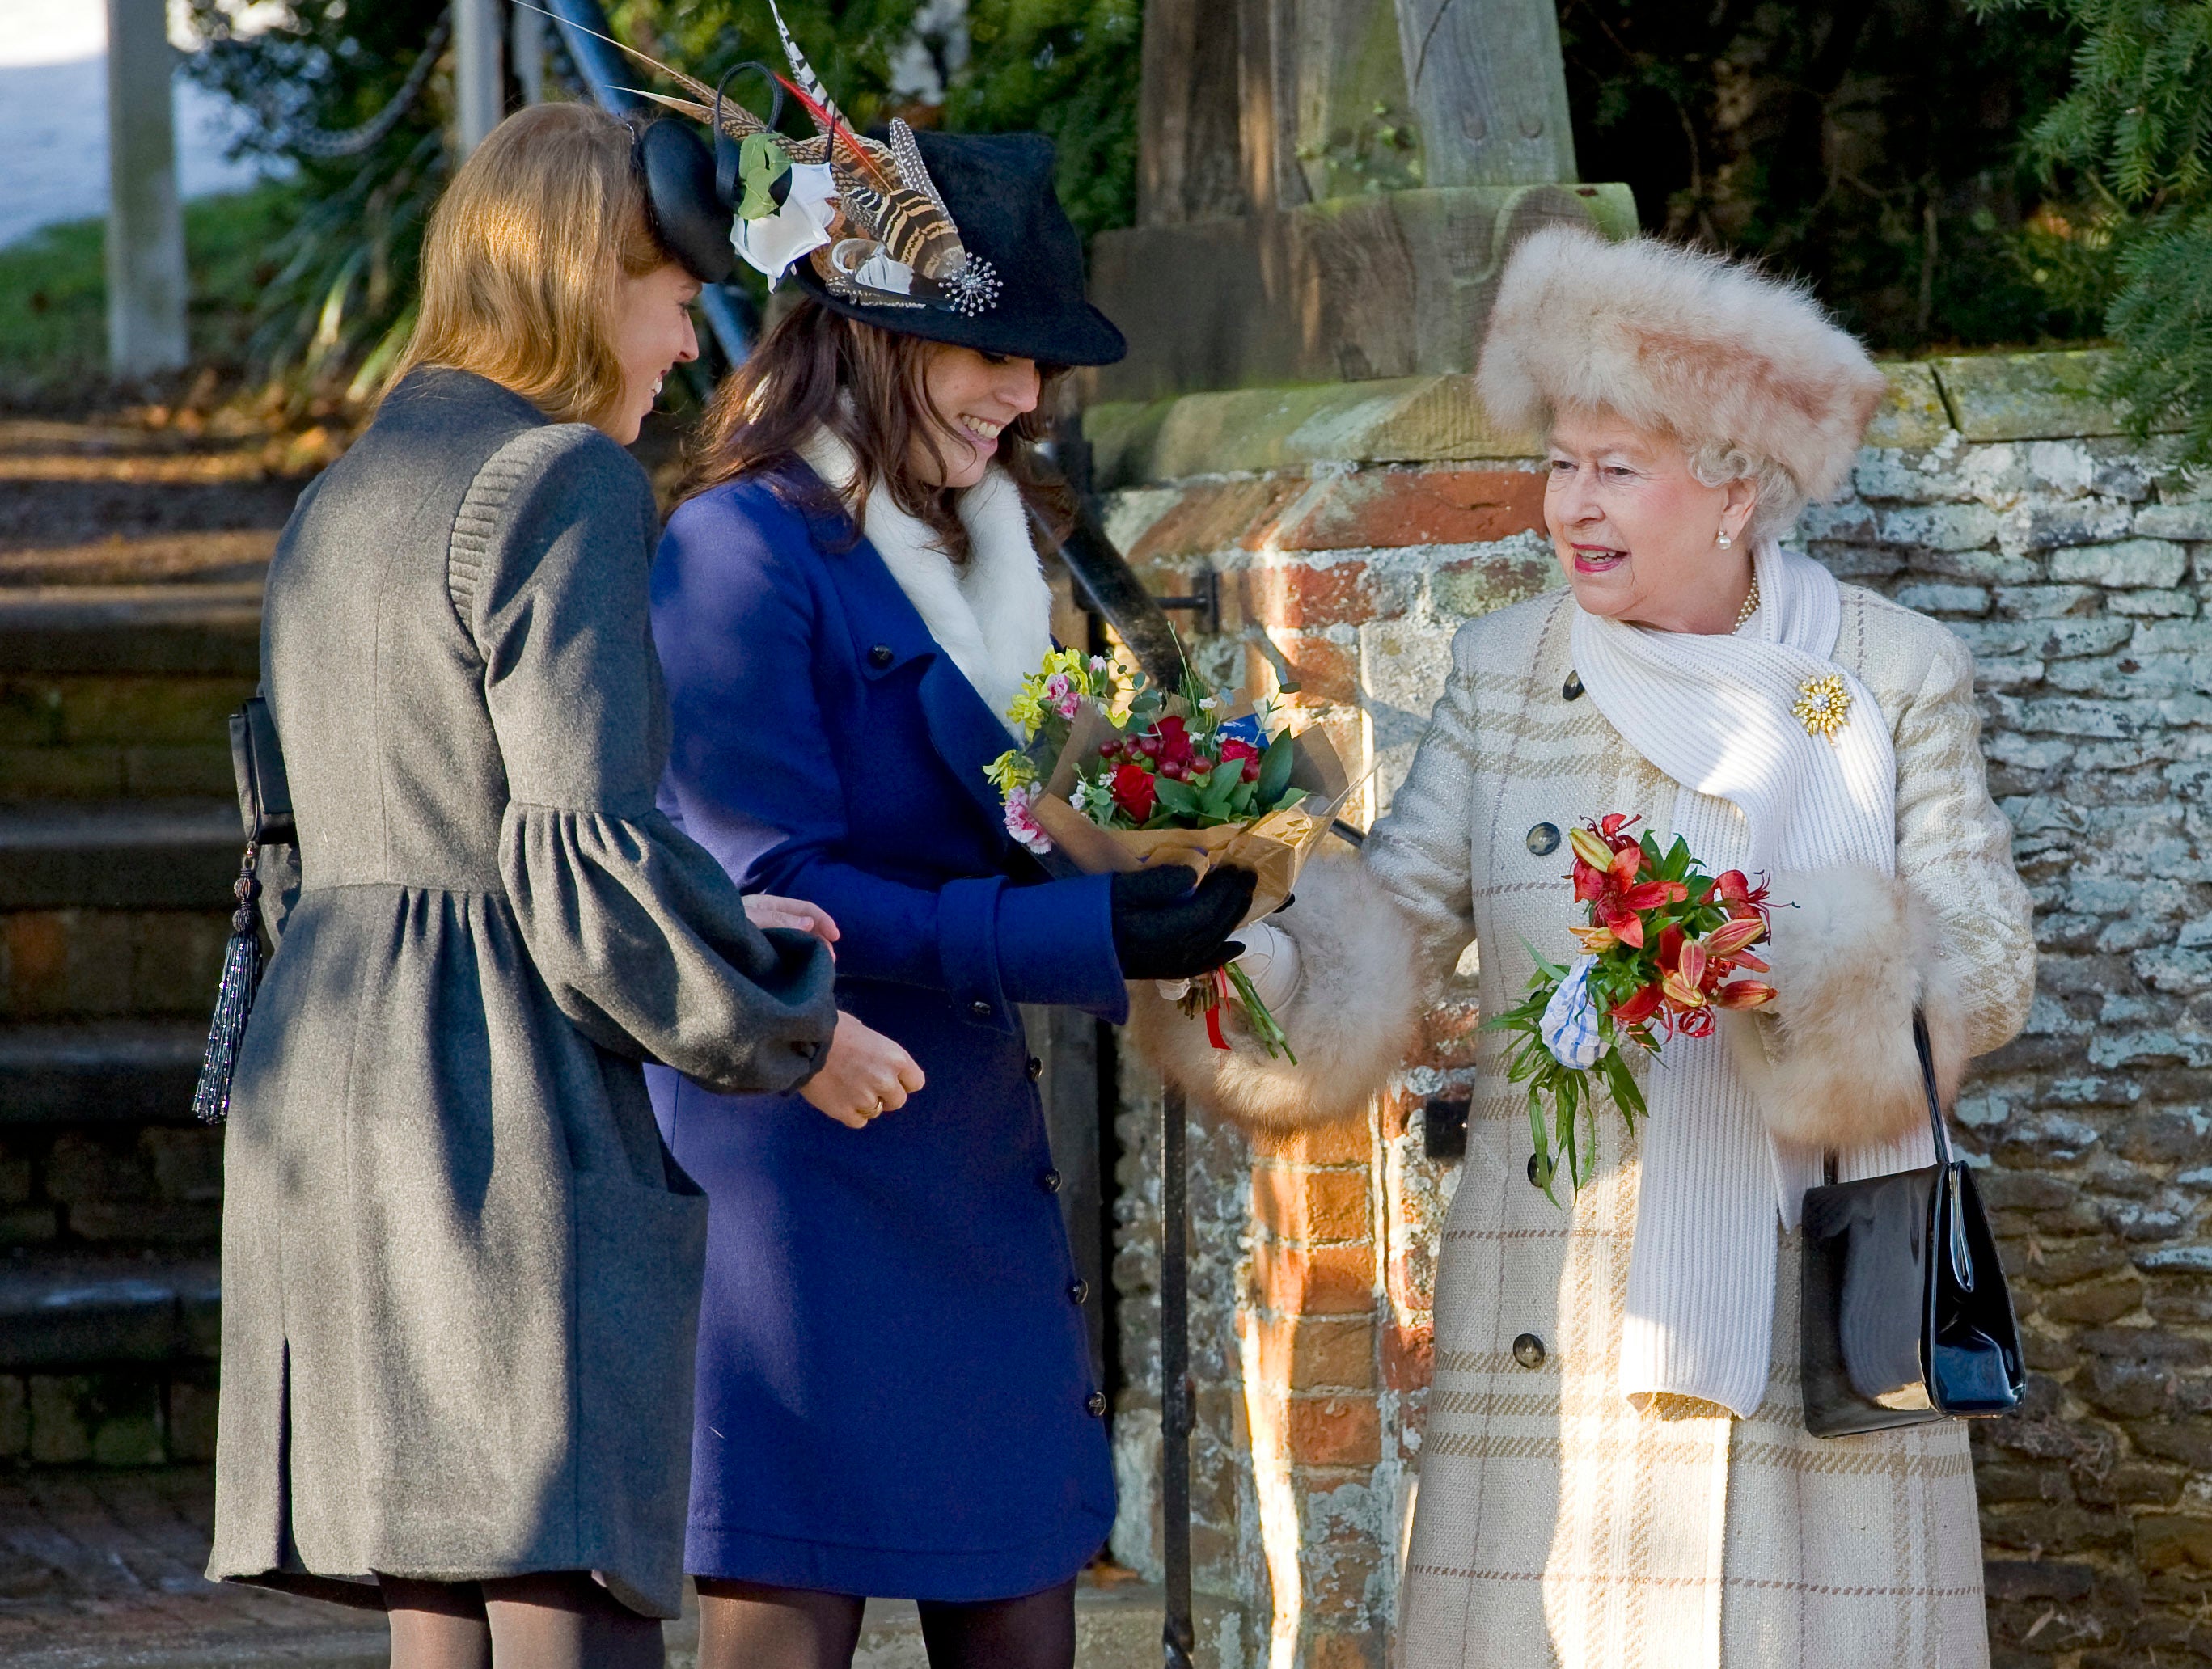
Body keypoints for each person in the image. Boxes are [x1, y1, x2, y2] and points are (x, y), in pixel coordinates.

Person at [1138, 227, 2036, 1667]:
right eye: (1561, 462)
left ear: (1739, 484)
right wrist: (1233, 965)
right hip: (1562, 1316)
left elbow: (1988, 963)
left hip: (1816, 1328)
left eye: (1616, 468)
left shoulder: (1890, 673)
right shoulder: (1507, 673)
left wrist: (1793, 958)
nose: (1569, 506)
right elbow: (1394, 923)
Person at [205, 103, 921, 1668]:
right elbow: (574, 857)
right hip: (493, 1120)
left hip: (330, 1102)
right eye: (673, 297)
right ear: (588, 273)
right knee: (563, 1619)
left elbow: (433, 821)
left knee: (443, 1623)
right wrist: (795, 1028)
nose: (686, 342)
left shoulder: (343, 495)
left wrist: (729, 924)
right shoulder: (564, 485)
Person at [647, 121, 1254, 1668]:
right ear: (862, 327)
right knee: (787, 1634)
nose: (1026, 397)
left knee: (1026, 1621)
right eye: (988, 353)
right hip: (807, 1155)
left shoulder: (998, 546)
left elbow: (1035, 825)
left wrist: (1171, 874)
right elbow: (768, 883)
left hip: (976, 1154)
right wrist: (1085, 936)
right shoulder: (737, 545)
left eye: (1038, 363)